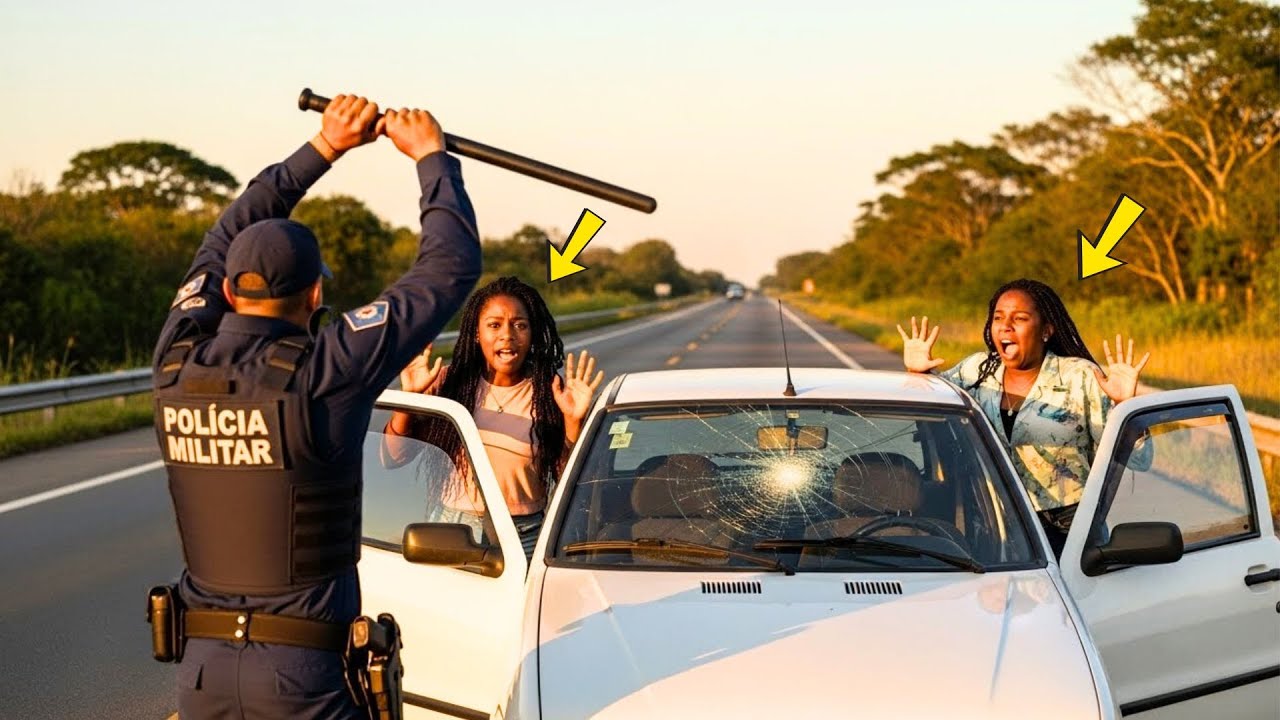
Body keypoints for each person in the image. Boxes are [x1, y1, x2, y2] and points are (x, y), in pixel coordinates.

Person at [150, 94, 481, 719]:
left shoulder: (176, 359)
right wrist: (431, 157)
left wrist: (323, 146)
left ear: (225, 290)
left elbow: (222, 235)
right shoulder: (326, 368)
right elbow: (449, 268)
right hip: (304, 678)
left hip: (202, 674)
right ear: (317, 290)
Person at [898, 278, 1149, 556]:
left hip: (1067, 529)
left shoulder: (1080, 376)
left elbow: (1140, 459)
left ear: (1046, 330)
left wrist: (1126, 405)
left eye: (1019, 318)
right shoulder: (974, 371)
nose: (1005, 326)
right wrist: (917, 373)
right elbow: (930, 411)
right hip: (994, 526)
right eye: (998, 317)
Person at [381, 276, 605, 561]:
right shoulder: (450, 383)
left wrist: (574, 421)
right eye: (494, 324)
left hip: (524, 534)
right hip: (454, 528)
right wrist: (410, 399)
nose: (507, 335)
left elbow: (567, 481)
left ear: (533, 333)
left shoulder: (551, 392)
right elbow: (392, 458)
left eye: (520, 325)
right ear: (476, 333)